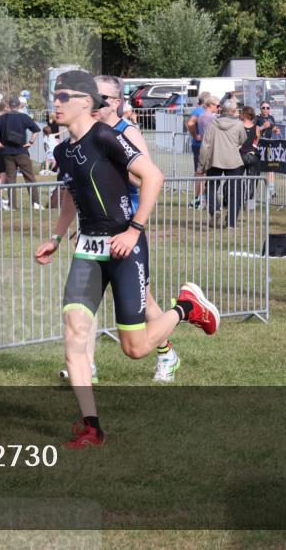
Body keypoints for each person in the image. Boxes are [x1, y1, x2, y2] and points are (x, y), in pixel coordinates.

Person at [33, 70, 219, 449]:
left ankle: (186, 307)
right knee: (74, 331)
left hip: (125, 244)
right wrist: (55, 236)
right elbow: (72, 194)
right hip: (88, 248)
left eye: (64, 96)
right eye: (55, 96)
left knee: (133, 349)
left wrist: (134, 229)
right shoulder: (62, 150)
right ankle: (91, 426)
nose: (56, 102)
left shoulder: (106, 137)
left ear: (86, 101)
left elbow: (153, 176)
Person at [80, 74, 179, 383]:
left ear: (117, 103)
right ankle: (87, 365)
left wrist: (116, 164)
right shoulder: (88, 132)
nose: (96, 104)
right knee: (85, 304)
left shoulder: (127, 131)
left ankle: (167, 354)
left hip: (126, 229)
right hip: (96, 231)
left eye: (103, 99)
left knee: (145, 303)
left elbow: (144, 177)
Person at [199, 99, 247, 228]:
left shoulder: (213, 124)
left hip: (215, 160)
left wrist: (201, 166)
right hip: (233, 161)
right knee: (234, 192)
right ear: (232, 111)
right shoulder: (239, 124)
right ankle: (231, 221)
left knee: (211, 188)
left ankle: (215, 210)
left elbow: (205, 146)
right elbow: (243, 139)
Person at [0, 95, 42, 210]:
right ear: (19, 106)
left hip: (7, 152)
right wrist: (30, 142)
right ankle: (36, 204)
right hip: (21, 151)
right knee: (29, 177)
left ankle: (12, 206)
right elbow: (36, 130)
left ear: (9, 106)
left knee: (11, 179)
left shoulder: (3, 118)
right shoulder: (24, 117)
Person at [185, 91, 211, 207]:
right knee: (200, 173)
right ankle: (197, 199)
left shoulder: (199, 111)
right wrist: (195, 135)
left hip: (201, 145)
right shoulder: (200, 111)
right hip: (200, 146)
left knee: (202, 173)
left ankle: (202, 199)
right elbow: (190, 124)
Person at [255, 100, 281, 198]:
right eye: (263, 108)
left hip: (269, 145)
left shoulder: (271, 118)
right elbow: (254, 131)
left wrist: (276, 130)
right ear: (260, 109)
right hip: (259, 145)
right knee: (257, 170)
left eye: (267, 108)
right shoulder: (257, 118)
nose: (266, 110)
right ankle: (252, 193)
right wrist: (262, 127)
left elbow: (273, 127)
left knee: (270, 168)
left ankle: (271, 191)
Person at [239, 106, 260, 211]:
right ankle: (249, 203)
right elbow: (256, 142)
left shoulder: (239, 126)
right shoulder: (256, 128)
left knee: (237, 178)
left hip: (241, 155)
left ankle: (239, 200)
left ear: (245, 115)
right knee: (251, 180)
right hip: (252, 156)